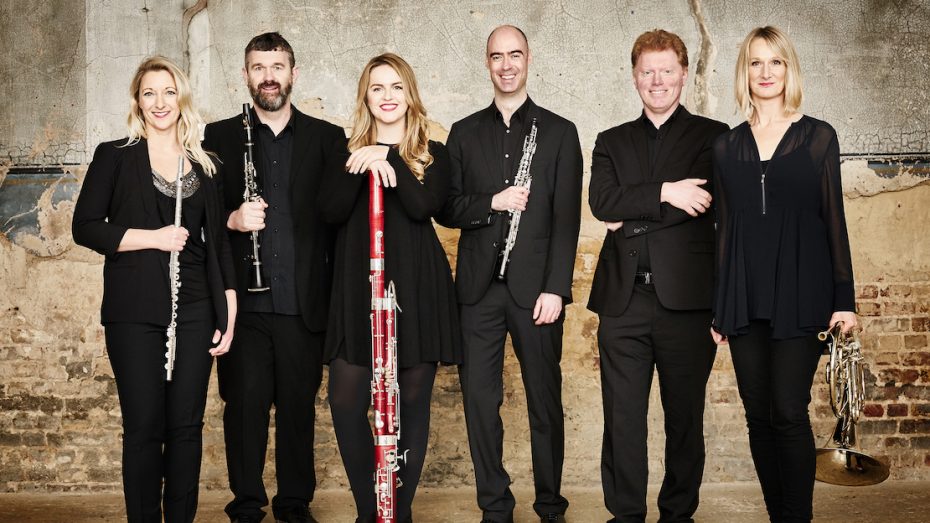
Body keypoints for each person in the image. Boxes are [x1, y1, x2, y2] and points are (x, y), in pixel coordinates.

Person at [72, 55, 237, 523]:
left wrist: (229, 312)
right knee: (144, 427)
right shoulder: (114, 155)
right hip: (134, 310)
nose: (160, 102)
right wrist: (153, 238)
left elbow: (219, 246)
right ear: (137, 101)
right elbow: (85, 227)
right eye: (149, 93)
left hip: (196, 307)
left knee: (185, 427)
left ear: (181, 98)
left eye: (168, 92)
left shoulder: (206, 164)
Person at [710, 26, 857, 523]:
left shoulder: (818, 137)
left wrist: (845, 300)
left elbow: (834, 219)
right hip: (745, 297)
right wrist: (721, 306)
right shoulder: (726, 147)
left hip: (802, 293)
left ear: (789, 69)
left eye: (775, 62)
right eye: (756, 62)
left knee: (788, 411)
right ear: (744, 71)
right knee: (758, 416)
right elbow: (724, 230)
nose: (765, 72)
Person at [436, 25, 582, 523]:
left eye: (514, 54)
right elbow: (447, 207)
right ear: (487, 62)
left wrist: (556, 289)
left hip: (535, 291)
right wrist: (492, 202)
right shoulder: (463, 132)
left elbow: (566, 219)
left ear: (528, 58)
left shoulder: (559, 132)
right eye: (497, 56)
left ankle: (550, 505)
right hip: (478, 292)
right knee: (480, 403)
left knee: (544, 401)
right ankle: (495, 506)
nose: (506, 65)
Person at [202, 32, 347, 523]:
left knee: (298, 409)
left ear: (293, 73)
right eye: (259, 68)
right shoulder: (218, 137)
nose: (269, 77)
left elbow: (337, 220)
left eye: (277, 67)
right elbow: (200, 217)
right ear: (245, 75)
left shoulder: (328, 138)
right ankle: (246, 503)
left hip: (303, 302)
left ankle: (294, 503)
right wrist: (232, 219)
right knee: (243, 409)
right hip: (243, 304)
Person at [587, 30, 728, 523]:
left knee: (684, 420)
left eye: (667, 70)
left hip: (688, 304)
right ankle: (625, 514)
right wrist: (667, 191)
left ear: (684, 75)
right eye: (647, 72)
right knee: (622, 420)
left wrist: (630, 216)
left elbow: (703, 203)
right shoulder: (610, 141)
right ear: (634, 77)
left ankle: (677, 515)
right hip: (622, 302)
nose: (657, 81)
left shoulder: (714, 136)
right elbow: (601, 202)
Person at [318, 52, 461, 523]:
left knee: (412, 404)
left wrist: (389, 157)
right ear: (365, 97)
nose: (387, 96)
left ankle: (399, 512)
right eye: (377, 88)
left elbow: (423, 207)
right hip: (358, 291)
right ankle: (370, 510)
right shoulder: (344, 151)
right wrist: (360, 161)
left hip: (417, 288)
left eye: (397, 87)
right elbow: (331, 211)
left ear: (410, 95)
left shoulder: (433, 153)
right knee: (345, 399)